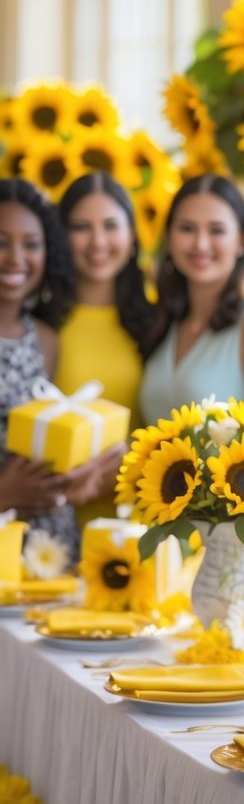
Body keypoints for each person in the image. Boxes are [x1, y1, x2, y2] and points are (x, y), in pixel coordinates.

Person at [139, 173, 244, 422]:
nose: (200, 244)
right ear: (169, 236)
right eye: (187, 228)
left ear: (241, 241)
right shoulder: (166, 322)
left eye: (216, 230)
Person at [54, 172, 154, 518]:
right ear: (61, 237)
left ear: (131, 236)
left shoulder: (156, 322)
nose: (98, 241)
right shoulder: (42, 325)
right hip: (55, 524)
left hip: (140, 524)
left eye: (111, 225)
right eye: (81, 227)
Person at [0, 179, 77, 556]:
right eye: (1, 242)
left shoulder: (46, 340)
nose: (16, 258)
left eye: (31, 244)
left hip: (48, 549)